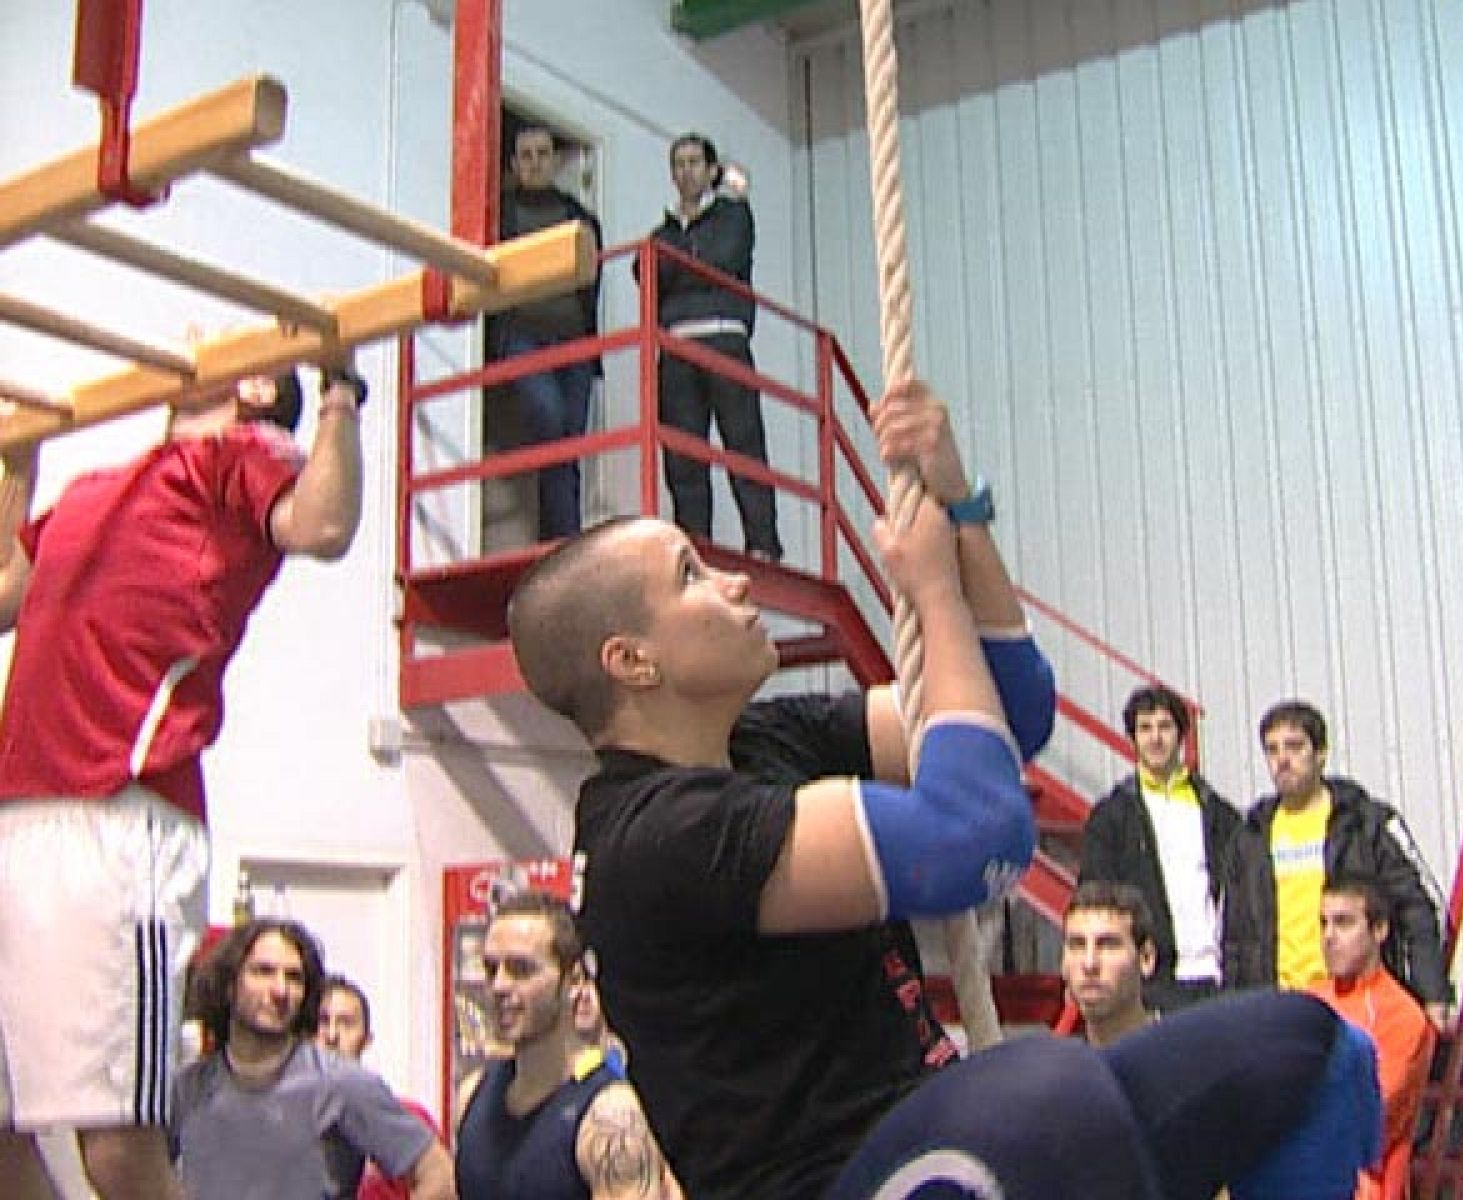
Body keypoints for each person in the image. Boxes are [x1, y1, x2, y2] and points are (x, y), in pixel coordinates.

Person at [507, 378, 1379, 1200]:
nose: (735, 579)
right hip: (850, 1178)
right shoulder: (655, 835)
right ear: (633, 661)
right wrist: (931, 593)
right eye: (691, 576)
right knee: (1040, 1090)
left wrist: (963, 513)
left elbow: (1012, 714)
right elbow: (975, 839)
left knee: (1312, 1056)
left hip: (935, 1138)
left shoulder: (761, 739)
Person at [0, 363, 365, 1200]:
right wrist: (19, 464)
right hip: (17, 807)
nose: (191, 352)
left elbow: (323, 524)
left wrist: (341, 389)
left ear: (258, 388)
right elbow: (3, 591)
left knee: (120, 1147)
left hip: (120, 814)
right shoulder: (98, 490)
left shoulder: (238, 457)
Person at [172, 919, 455, 1200]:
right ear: (229, 984)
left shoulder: (342, 1084)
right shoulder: (187, 1089)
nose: (280, 990)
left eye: (294, 977)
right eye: (263, 972)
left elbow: (439, 1175)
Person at [1222, 700, 1454, 1027]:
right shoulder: (1250, 836)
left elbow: (1418, 907)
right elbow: (1233, 935)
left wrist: (1433, 993)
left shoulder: (1366, 822)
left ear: (1320, 754)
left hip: (1355, 1003)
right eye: (1272, 751)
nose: (1282, 760)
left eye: (1294, 747)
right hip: (1277, 1007)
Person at [454, 890, 677, 1200]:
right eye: (492, 969)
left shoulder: (611, 1117)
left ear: (573, 981)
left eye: (521, 970)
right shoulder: (471, 1097)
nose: (500, 986)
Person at [644, 132, 782, 561]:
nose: (686, 171)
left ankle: (762, 544)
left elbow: (722, 258)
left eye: (693, 162)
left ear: (710, 171)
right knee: (683, 457)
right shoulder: (661, 233)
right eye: (678, 164)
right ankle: (694, 549)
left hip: (724, 338)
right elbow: (644, 273)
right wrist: (684, 263)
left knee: (743, 444)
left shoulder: (734, 216)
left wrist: (678, 266)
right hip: (677, 348)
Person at [1078, 685, 1239, 1011]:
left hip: (1217, 976)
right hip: (1153, 982)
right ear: (1132, 738)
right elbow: (1097, 899)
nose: (1155, 738)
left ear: (1181, 735)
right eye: (1144, 728)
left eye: (1165, 727)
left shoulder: (1218, 813)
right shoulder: (1112, 816)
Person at [490, 123, 604, 541]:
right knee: (552, 426)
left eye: (542, 153)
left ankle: (562, 545)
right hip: (522, 336)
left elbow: (592, 284)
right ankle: (562, 543)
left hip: (573, 343)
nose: (535, 162)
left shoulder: (579, 217)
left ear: (556, 161)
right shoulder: (500, 213)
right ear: (514, 164)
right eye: (526, 155)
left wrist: (593, 356)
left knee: (567, 448)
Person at [1307, 875, 1437, 1199]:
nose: (1329, 937)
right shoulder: (1309, 1001)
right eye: (1324, 924)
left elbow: (1366, 1122)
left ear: (1379, 931)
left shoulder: (1401, 1016)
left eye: (1344, 923)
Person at [318, 974, 446, 1200]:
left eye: (346, 1023)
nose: (332, 1035)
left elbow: (440, 1180)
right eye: (322, 1021)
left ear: (366, 1039)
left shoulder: (403, 1117)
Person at [1055, 881, 1158, 1046]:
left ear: (1146, 958)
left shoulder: (1184, 1060)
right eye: (1077, 945)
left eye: (1108, 945)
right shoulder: (1056, 1067)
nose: (1090, 964)